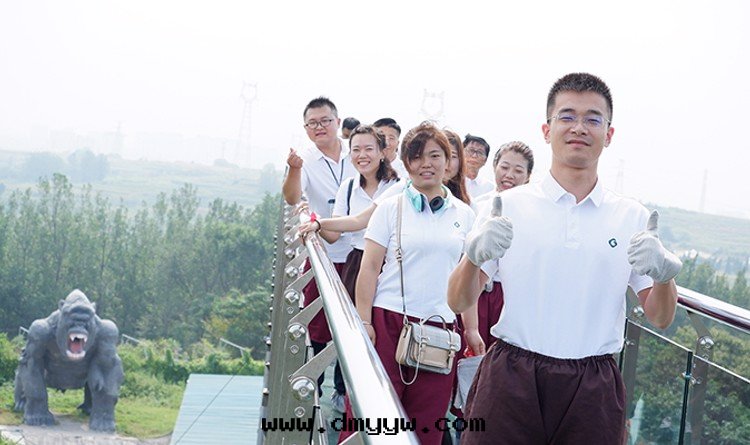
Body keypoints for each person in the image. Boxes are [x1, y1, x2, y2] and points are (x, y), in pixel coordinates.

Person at [448, 72, 682, 444]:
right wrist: (473, 258)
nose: (579, 128)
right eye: (567, 116)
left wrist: (665, 277)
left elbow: (661, 316)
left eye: (593, 119)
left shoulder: (632, 217)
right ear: (547, 130)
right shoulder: (506, 207)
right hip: (511, 373)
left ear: (609, 134)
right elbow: (458, 301)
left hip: (593, 384)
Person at [338, 122, 475, 445]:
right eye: (416, 156)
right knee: (371, 415)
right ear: (405, 162)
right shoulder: (390, 208)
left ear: (448, 162)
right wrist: (364, 321)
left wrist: (471, 329)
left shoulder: (465, 215)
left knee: (426, 424)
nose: (426, 164)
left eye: (435, 155)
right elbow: (369, 269)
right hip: (388, 323)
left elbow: (466, 277)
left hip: (441, 329)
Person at [302, 125, 400, 412]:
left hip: (387, 265)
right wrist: (312, 222)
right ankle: (345, 392)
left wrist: (319, 222)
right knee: (354, 332)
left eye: (369, 149)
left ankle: (375, 399)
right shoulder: (348, 187)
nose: (362, 155)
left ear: (382, 152)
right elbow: (336, 235)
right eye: (356, 149)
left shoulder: (396, 186)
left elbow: (360, 221)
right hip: (356, 263)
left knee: (378, 331)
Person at [281, 96, 356, 401]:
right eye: (312, 123)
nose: (319, 127)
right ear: (306, 128)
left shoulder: (357, 152)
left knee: (357, 323)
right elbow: (291, 197)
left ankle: (343, 391)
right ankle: (311, 390)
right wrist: (294, 169)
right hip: (324, 253)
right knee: (317, 326)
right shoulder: (306, 159)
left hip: (361, 252)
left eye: (325, 120)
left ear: (337, 122)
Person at [462, 134, 494, 198]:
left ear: (485, 160)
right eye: (471, 150)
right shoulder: (451, 181)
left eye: (480, 152)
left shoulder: (490, 188)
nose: (474, 156)